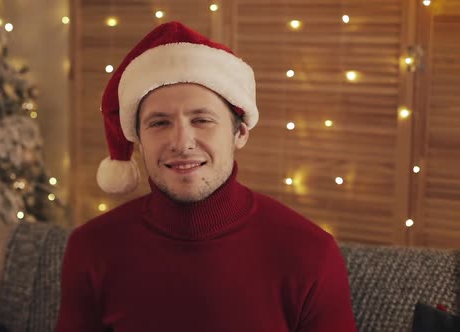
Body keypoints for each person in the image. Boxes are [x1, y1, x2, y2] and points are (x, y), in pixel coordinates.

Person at [56, 21, 357, 332]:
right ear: (138, 140)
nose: (181, 142)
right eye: (159, 123)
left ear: (240, 132)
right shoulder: (91, 248)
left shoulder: (311, 254)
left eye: (201, 120)